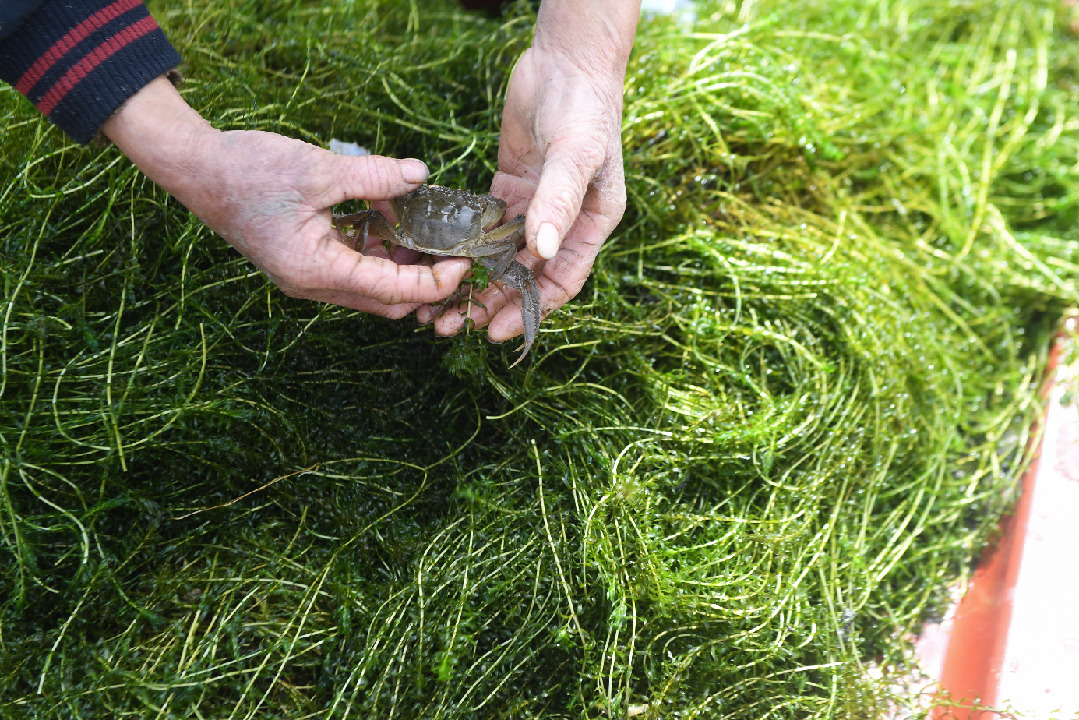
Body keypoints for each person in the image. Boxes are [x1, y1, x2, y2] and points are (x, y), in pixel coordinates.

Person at [0, 0, 639, 348]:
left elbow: (524, 265)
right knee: (376, 222)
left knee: (517, 272)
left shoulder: (496, 231)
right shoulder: (405, 212)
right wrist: (197, 158)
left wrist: (580, 53)